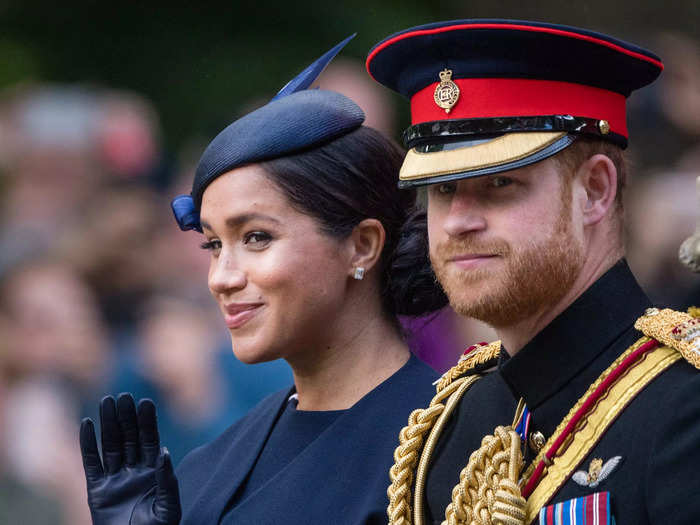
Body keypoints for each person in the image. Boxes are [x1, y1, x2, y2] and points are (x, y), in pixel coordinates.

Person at [79, 36, 448, 524]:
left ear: (361, 245)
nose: (221, 278)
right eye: (213, 245)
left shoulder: (448, 446)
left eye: (256, 237)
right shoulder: (211, 464)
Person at [366, 19, 700, 525]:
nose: (458, 222)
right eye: (442, 189)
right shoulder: (456, 421)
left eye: (499, 183)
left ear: (595, 191)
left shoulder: (684, 408)